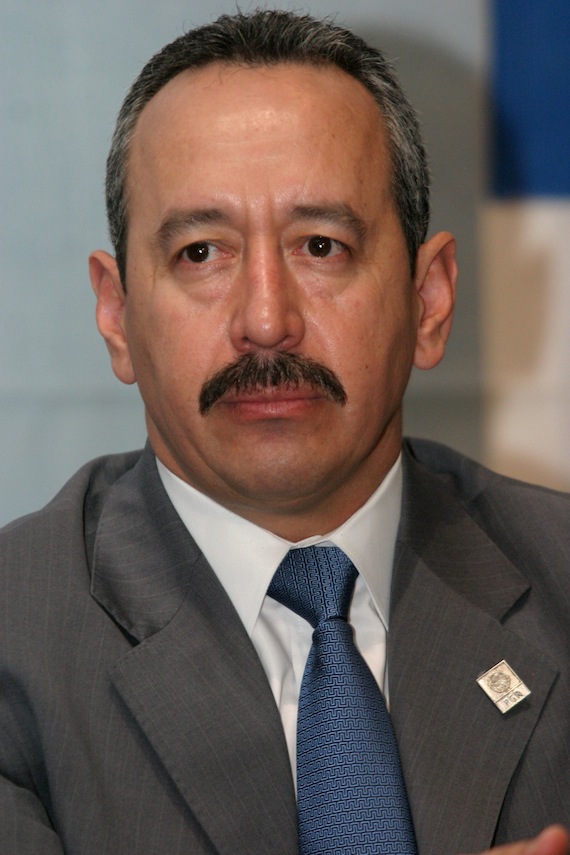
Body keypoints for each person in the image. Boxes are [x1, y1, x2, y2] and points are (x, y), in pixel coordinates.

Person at [1, 9, 569, 855]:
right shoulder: (16, 633)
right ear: (117, 316)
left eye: (321, 246)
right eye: (202, 253)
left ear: (429, 301)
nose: (266, 320)